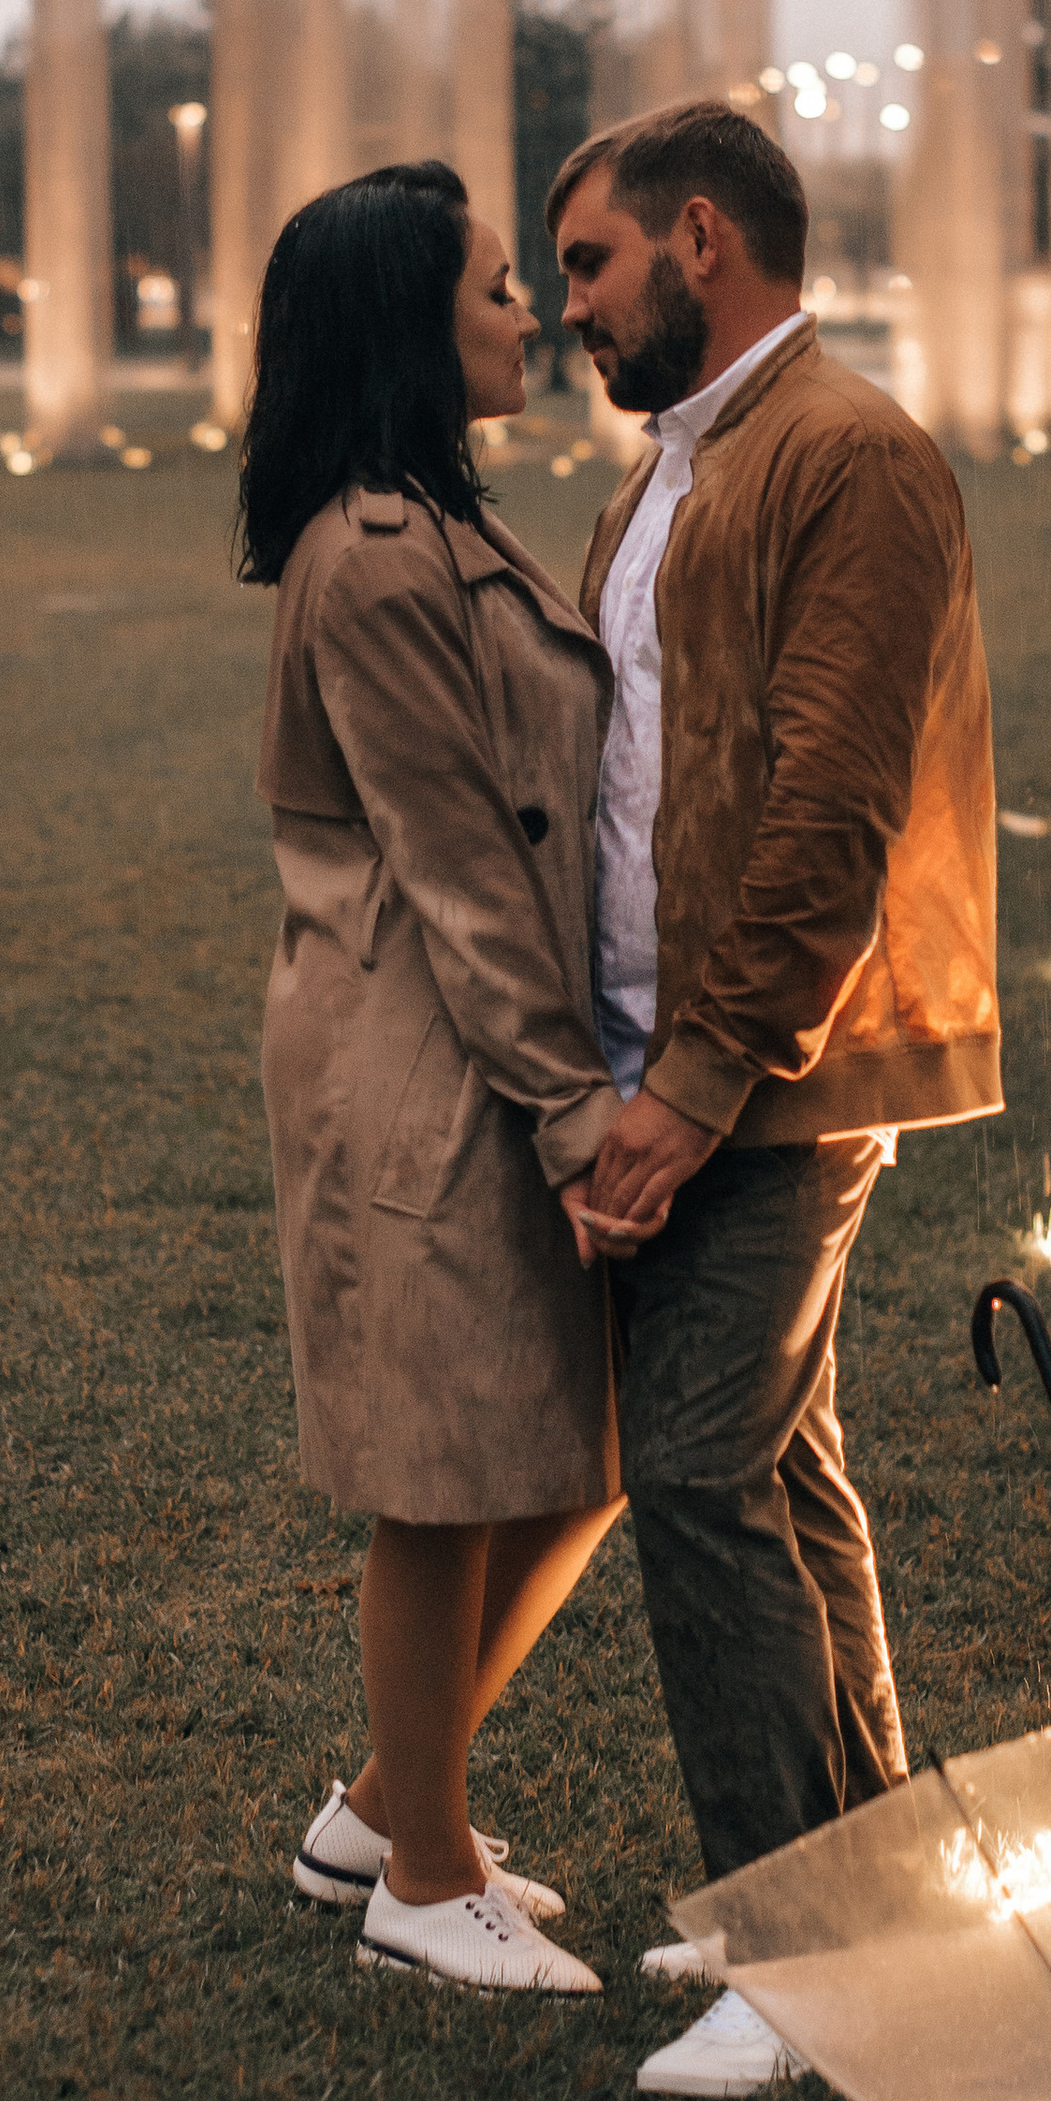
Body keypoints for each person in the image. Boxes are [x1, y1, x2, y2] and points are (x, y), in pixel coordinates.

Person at [546, 99, 1001, 2099]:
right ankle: (870, 1898)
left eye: (588, 263)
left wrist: (701, 1073)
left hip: (773, 1069)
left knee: (700, 1476)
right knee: (780, 1462)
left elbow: (828, 801)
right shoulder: (677, 463)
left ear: (697, 239)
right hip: (677, 1044)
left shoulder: (848, 456)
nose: (568, 305)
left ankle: (809, 1959)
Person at [240, 158, 628, 1994]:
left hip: (455, 1036)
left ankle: (388, 1809)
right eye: (494, 287)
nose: (530, 310)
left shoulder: (428, 523)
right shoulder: (382, 558)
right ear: (414, 327)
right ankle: (423, 1873)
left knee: (576, 1445)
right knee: (446, 1470)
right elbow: (461, 860)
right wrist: (572, 1102)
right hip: (423, 1053)